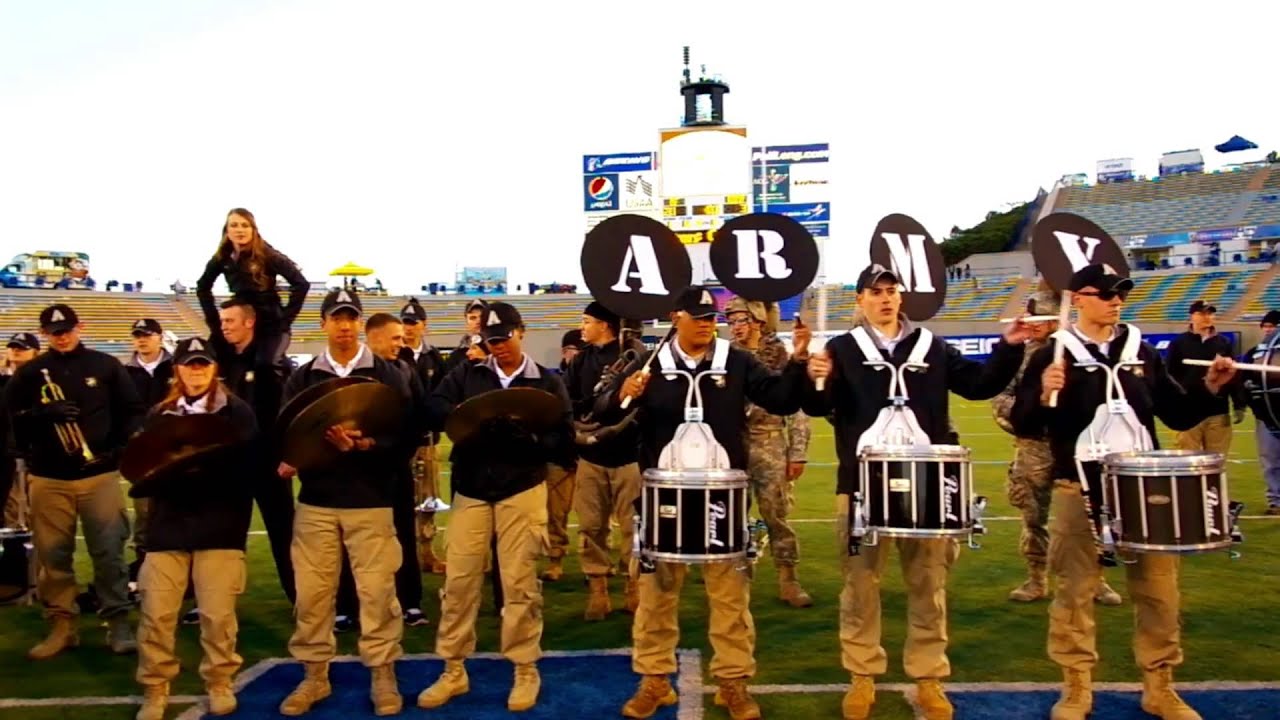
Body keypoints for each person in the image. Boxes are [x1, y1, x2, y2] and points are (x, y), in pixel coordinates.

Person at [804, 264, 1031, 720]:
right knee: (860, 585)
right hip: (861, 485)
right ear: (860, 301)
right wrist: (815, 375)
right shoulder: (842, 349)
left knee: (928, 583)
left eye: (892, 291)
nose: (886, 299)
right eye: (876, 292)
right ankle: (862, 675)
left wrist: (1009, 347)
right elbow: (816, 407)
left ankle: (928, 677)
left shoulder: (931, 345)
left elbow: (978, 385)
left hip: (927, 485)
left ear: (900, 297)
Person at [1012, 264, 1237, 720]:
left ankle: (1160, 685)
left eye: (1122, 294)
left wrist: (1210, 386)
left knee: (1158, 592)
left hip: (1144, 488)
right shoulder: (1052, 354)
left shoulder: (1141, 351)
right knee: (1074, 592)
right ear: (1079, 298)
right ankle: (1076, 687)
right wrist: (1041, 394)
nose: (1117, 301)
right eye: (1106, 294)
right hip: (1077, 487)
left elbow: (1175, 414)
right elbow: (1024, 425)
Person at [613, 286, 812, 720]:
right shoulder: (650, 363)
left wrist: (797, 361)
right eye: (698, 315)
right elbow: (607, 412)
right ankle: (654, 680)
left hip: (721, 496)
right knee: (656, 594)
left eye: (711, 316)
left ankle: (733, 682)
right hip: (663, 495)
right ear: (675, 317)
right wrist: (624, 391)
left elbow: (779, 398)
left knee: (729, 595)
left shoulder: (736, 360)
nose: (707, 322)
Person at [417, 301, 574, 714]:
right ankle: (453, 668)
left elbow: (565, 436)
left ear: (520, 332)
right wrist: (466, 419)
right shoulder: (468, 373)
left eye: (504, 338)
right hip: (471, 488)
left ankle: (525, 667)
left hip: (522, 486)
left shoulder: (546, 381)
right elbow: (433, 408)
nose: (498, 347)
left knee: (520, 583)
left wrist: (533, 443)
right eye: (491, 341)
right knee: (460, 584)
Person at [276, 289, 413, 717]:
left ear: (359, 323)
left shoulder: (388, 373)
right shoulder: (302, 378)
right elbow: (288, 433)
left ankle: (383, 672)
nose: (344, 325)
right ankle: (315, 674)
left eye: (351, 317)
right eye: (336, 318)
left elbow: (405, 437)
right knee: (314, 595)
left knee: (377, 593)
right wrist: (307, 451)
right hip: (317, 502)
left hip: (370, 501)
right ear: (323, 324)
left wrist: (367, 444)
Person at [3, 304, 145, 659]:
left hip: (98, 474)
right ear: (45, 335)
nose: (62, 336)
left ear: (79, 327)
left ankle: (118, 622)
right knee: (53, 556)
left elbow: (132, 411)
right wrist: (40, 414)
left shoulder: (105, 365)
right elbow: (10, 423)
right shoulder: (30, 373)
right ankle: (62, 624)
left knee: (110, 551)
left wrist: (117, 449)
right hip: (49, 477)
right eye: (54, 332)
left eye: (66, 329)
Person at [133, 338, 258, 720]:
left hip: (220, 525)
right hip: (168, 526)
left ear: (215, 368)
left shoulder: (238, 412)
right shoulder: (160, 414)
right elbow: (144, 470)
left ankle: (219, 680)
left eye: (203, 364)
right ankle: (156, 687)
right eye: (190, 365)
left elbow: (250, 468)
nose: (197, 371)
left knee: (218, 615)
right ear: (178, 370)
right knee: (156, 612)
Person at [990, 291, 1122, 606]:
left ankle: (1096, 579)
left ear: (1056, 319)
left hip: (1077, 447)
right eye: (1030, 319)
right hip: (1033, 446)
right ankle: (1036, 578)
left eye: (1041, 319)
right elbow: (1000, 399)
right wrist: (1027, 417)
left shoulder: (1080, 352)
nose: (1033, 325)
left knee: (1091, 514)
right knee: (1033, 515)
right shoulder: (1022, 356)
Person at [207, 297, 296, 608]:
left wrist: (287, 454)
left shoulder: (271, 360)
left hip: (269, 463)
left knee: (285, 535)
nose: (224, 327)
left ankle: (301, 599)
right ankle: (217, 603)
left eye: (230, 321)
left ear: (249, 321)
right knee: (225, 539)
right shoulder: (223, 361)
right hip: (232, 466)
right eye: (222, 322)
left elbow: (286, 413)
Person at [725, 297, 813, 608]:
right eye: (731, 321)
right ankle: (737, 577)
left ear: (759, 322)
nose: (735, 327)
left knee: (776, 514)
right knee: (732, 515)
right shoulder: (726, 356)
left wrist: (798, 451)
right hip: (732, 443)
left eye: (741, 320)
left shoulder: (779, 356)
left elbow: (797, 406)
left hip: (770, 442)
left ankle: (788, 578)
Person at [564, 301, 646, 619]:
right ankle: (598, 589)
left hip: (628, 456)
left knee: (633, 528)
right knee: (590, 527)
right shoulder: (581, 361)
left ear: (605, 325)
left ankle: (633, 586)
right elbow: (570, 401)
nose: (582, 327)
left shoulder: (634, 355)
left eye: (587, 321)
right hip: (591, 456)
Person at [365, 312, 430, 627]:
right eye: (395, 338)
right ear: (373, 336)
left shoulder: (405, 369)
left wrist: (408, 448)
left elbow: (418, 414)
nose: (401, 344)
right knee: (362, 540)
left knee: (403, 534)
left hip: (395, 466)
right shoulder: (358, 371)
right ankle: (352, 605)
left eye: (402, 338)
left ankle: (410, 601)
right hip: (360, 472)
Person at [196, 208, 309, 368]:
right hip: (240, 318)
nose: (240, 230)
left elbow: (301, 284)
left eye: (245, 225)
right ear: (227, 230)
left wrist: (285, 320)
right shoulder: (222, 257)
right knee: (212, 359)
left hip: (269, 321)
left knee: (266, 363)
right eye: (234, 225)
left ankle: (288, 380)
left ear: (253, 230)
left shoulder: (268, 254)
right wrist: (214, 322)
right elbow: (202, 287)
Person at [124, 318, 174, 587]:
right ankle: (143, 571)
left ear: (160, 336)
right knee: (144, 515)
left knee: (175, 510)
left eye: (147, 334)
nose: (142, 339)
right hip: (142, 452)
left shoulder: (178, 367)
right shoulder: (124, 372)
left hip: (175, 451)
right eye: (138, 335)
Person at [1166, 300, 1246, 454]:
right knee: (1187, 461)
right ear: (1192, 316)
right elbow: (1170, 375)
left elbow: (1234, 375)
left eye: (1210, 313)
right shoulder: (1179, 343)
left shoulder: (1224, 343)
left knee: (1218, 461)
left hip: (1217, 411)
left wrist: (1239, 404)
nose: (1207, 317)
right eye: (1202, 313)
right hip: (1187, 411)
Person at [1239, 310, 1280, 515]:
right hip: (1266, 414)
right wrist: (1251, 405)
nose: (1269, 330)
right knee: (1270, 459)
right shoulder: (1255, 353)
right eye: (1266, 327)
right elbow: (1244, 380)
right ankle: (1276, 501)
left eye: (1273, 327)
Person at [442, 298, 489, 375]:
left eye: (482, 316)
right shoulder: (455, 357)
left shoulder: (499, 351)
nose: (478, 321)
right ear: (466, 322)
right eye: (473, 318)